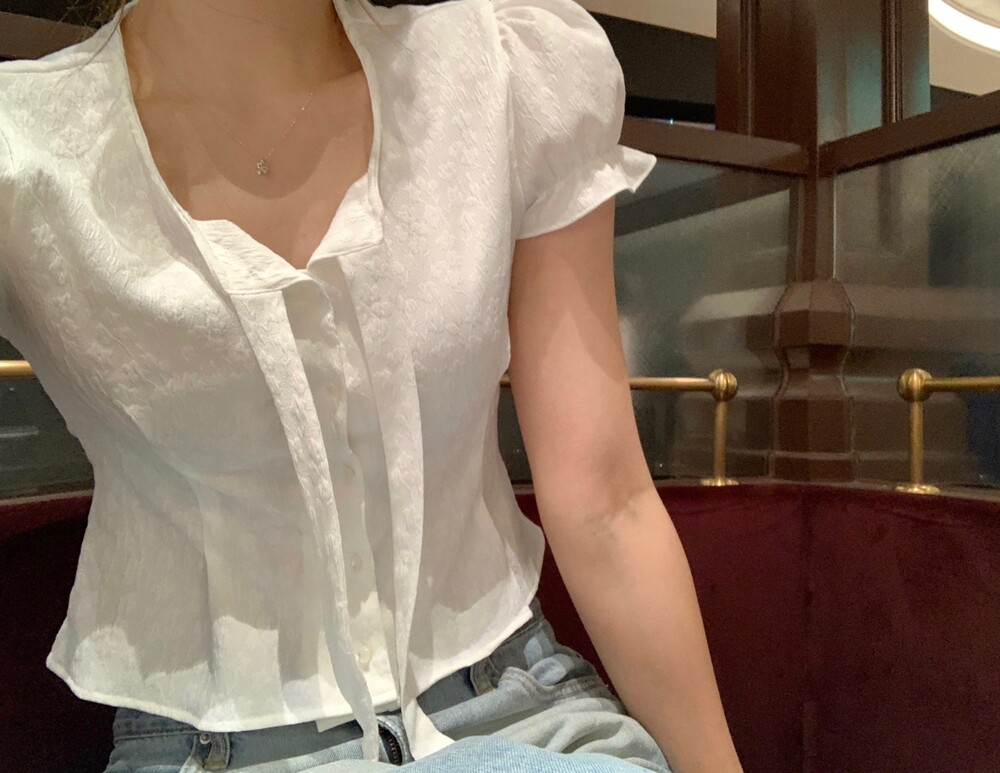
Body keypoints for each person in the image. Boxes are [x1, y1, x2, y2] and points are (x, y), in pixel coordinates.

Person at [0, 0, 743, 770]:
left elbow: (606, 502)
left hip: (520, 709)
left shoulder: (504, 73)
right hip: (214, 747)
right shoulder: (27, 148)